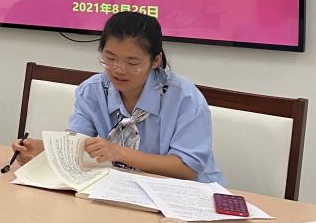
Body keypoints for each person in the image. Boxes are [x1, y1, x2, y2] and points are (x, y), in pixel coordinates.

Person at [11, 11, 223, 184]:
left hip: (186, 195)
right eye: (110, 58)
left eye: (132, 63)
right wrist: (43, 149)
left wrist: (119, 153)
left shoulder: (184, 98)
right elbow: (77, 143)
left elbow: (186, 168)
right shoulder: (93, 91)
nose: (118, 70)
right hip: (121, 188)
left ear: (155, 60)